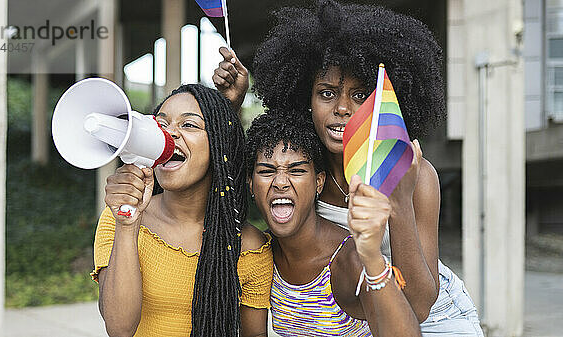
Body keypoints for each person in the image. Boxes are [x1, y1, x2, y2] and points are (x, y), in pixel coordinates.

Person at [213, 1, 483, 336]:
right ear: (304, 101)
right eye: (326, 94)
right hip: (360, 316)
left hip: (436, 317)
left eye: (359, 96)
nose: (342, 108)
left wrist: (397, 201)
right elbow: (243, 174)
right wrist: (233, 106)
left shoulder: (414, 173)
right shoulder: (304, 169)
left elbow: (421, 304)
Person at [90, 84, 272, 337]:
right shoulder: (119, 216)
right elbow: (119, 329)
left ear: (220, 145)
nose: (170, 134)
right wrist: (127, 225)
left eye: (189, 125)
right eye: (161, 124)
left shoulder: (250, 246)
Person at [245, 112, 421, 337]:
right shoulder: (259, 253)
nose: (280, 182)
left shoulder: (350, 260)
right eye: (266, 171)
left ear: (319, 182)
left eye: (297, 171)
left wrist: (372, 259)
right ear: (251, 184)